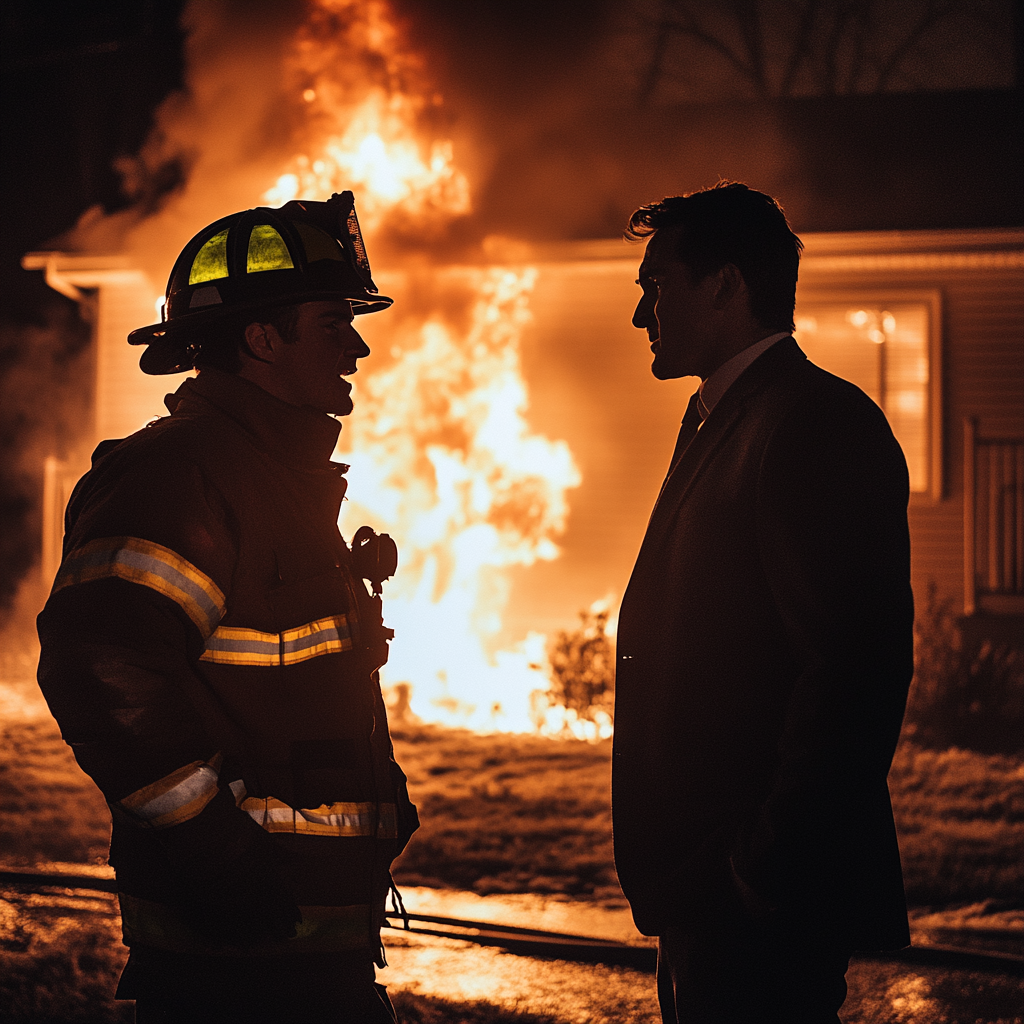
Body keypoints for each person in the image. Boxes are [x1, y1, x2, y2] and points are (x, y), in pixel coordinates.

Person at [36, 192, 417, 1023]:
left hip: (311, 942)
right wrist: (214, 852)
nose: (356, 347)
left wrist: (380, 796)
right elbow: (101, 668)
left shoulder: (275, 480)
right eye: (331, 322)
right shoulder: (180, 475)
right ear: (260, 338)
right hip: (230, 951)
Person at [612, 182, 913, 1024]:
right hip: (704, 889)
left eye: (657, 284)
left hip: (755, 894)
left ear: (727, 285)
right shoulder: (720, 417)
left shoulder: (816, 424)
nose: (642, 314)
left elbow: (854, 669)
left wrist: (762, 865)